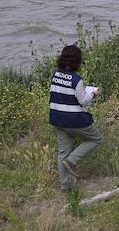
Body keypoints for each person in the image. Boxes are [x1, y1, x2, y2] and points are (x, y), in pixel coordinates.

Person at [49, 44, 103, 193]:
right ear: (77, 61)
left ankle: (65, 188)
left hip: (57, 119)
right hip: (74, 120)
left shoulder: (55, 75)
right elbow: (83, 102)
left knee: (62, 152)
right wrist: (93, 94)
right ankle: (72, 161)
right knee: (96, 139)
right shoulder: (76, 80)